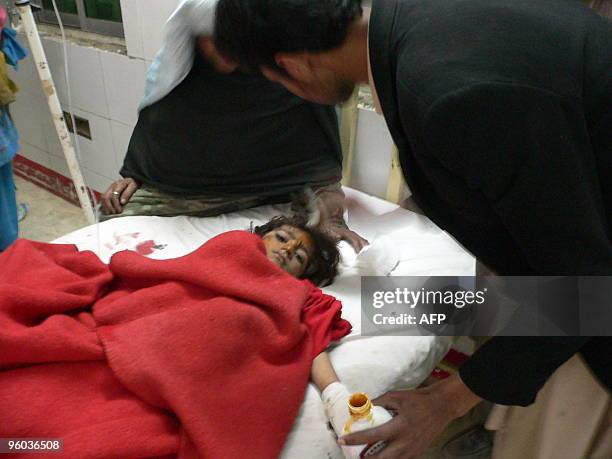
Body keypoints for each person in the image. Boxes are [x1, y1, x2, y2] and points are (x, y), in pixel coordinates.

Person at [213, 0, 612, 457]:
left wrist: (445, 402)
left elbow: (586, 288)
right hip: (563, 251)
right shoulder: (418, 24)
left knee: (543, 436)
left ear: (292, 65)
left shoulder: (453, 91)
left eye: (297, 250)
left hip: (590, 289)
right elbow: (507, 166)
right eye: (283, 240)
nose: (285, 251)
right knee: (432, 303)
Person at [100, 0, 367, 251]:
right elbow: (157, 115)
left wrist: (330, 212)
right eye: (212, 40)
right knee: (114, 225)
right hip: (184, 191)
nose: (221, 55)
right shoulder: (184, 73)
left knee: (316, 252)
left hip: (275, 189)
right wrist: (135, 174)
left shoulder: (287, 69)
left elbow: (320, 152)